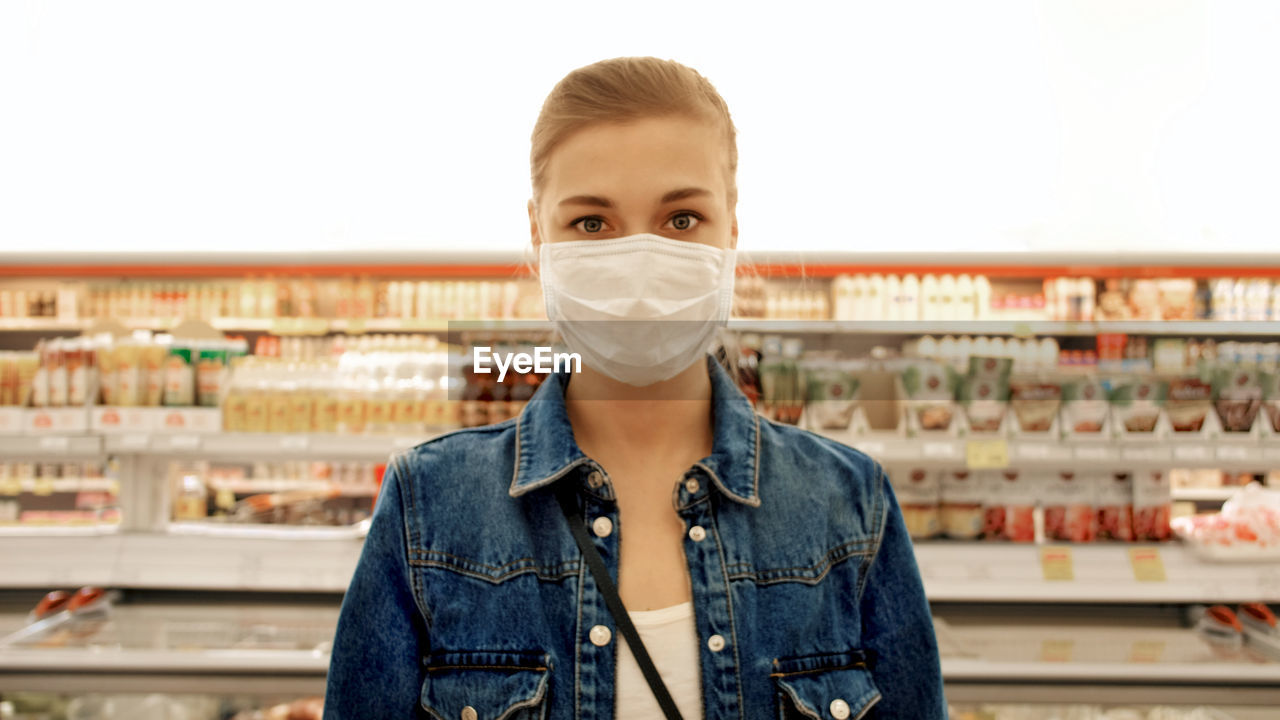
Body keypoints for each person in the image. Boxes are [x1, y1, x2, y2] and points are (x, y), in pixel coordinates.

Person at [324, 56, 945, 720]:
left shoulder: (850, 507)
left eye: (681, 220)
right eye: (592, 224)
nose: (641, 265)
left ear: (731, 230)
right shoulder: (429, 508)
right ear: (538, 237)